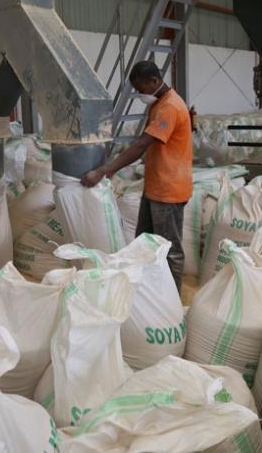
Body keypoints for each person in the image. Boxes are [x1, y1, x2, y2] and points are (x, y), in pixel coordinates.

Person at [81, 61, 193, 291]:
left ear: (154, 81)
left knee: (168, 250)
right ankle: (150, 294)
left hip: (169, 191)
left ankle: (170, 301)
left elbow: (142, 143)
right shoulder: (160, 104)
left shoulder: (170, 107)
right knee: (144, 244)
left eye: (141, 89)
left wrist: (106, 170)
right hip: (155, 187)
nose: (141, 94)